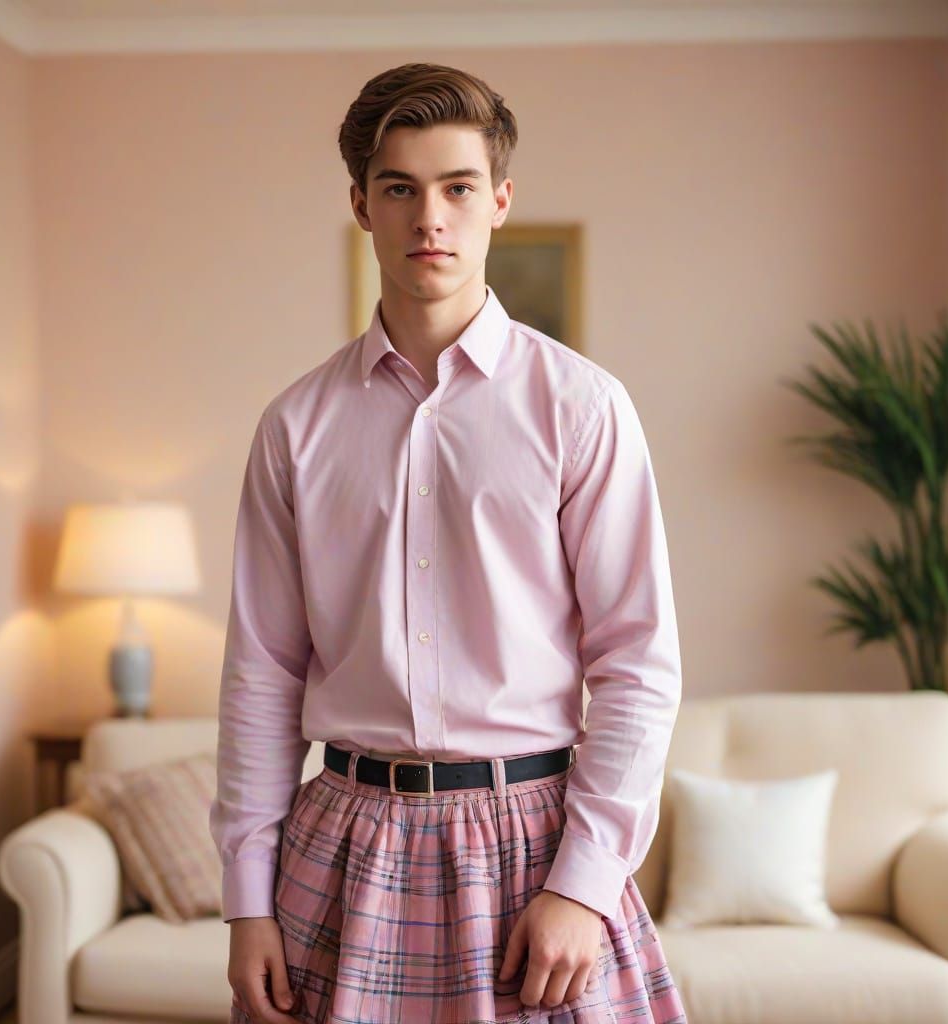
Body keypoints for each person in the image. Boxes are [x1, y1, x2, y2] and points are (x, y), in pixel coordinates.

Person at [209, 61, 688, 1024]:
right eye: (401, 188)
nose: (431, 217)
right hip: (340, 845)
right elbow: (262, 674)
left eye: (458, 188)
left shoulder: (583, 409)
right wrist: (245, 902)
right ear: (362, 205)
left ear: (499, 201)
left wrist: (584, 883)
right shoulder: (295, 426)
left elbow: (637, 663)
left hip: (536, 853)